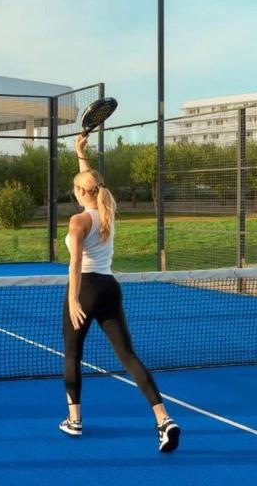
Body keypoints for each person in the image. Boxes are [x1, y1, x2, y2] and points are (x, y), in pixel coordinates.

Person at [59, 133, 180, 453]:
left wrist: (73, 298)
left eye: (76, 188)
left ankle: (74, 420)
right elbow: (91, 183)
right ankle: (164, 419)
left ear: (80, 192)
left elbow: (75, 263)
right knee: (128, 356)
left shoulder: (77, 220)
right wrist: (80, 152)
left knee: (72, 355)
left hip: (85, 288)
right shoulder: (106, 213)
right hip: (110, 289)